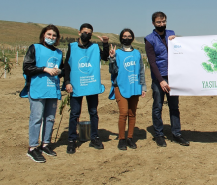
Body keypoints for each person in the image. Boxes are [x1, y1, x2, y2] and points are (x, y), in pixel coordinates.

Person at [145, 11, 189, 147]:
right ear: (153, 23)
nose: (161, 24)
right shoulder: (149, 39)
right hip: (159, 78)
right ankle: (159, 134)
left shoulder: (171, 33)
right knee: (157, 106)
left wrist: (178, 41)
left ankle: (177, 133)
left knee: (174, 107)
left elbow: (180, 49)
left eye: (163, 21)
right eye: (158, 22)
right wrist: (161, 80)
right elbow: (152, 62)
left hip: (173, 76)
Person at [20, 24, 63, 163]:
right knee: (36, 118)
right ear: (43, 35)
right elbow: (27, 67)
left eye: (54, 35)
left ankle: (45, 144)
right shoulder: (35, 48)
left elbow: (60, 69)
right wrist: (44, 69)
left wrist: (59, 72)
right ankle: (32, 147)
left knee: (50, 118)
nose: (51, 37)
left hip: (52, 88)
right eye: (49, 34)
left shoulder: (58, 53)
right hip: (38, 88)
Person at [64, 23, 109, 154]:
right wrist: (67, 82)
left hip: (92, 85)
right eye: (85, 32)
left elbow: (105, 57)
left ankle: (94, 137)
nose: (87, 35)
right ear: (79, 33)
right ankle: (72, 140)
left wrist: (105, 44)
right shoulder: (71, 47)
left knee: (93, 112)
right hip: (76, 85)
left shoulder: (95, 47)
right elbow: (67, 65)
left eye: (89, 33)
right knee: (74, 113)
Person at [108, 28, 146, 150]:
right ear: (121, 38)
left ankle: (130, 138)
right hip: (121, 86)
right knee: (123, 113)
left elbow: (141, 71)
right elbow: (112, 71)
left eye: (129, 36)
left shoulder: (137, 53)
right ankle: (121, 139)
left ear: (132, 38)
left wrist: (143, 86)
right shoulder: (117, 53)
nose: (127, 38)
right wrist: (112, 59)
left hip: (134, 86)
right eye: (124, 36)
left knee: (132, 113)